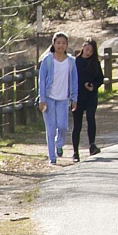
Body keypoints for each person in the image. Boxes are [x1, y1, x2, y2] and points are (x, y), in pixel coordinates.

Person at [36, 32, 77, 166]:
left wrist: (74, 98)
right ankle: (52, 156)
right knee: (51, 127)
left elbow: (74, 80)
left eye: (63, 43)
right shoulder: (48, 60)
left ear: (67, 45)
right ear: (53, 44)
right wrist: (42, 98)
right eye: (58, 43)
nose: (61, 45)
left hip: (63, 98)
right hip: (49, 98)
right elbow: (41, 80)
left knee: (63, 126)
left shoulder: (71, 61)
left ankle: (59, 143)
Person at [72, 39, 104, 160]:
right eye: (87, 49)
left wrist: (93, 86)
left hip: (91, 96)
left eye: (91, 51)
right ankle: (75, 152)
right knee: (77, 124)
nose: (89, 52)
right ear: (83, 47)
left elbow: (100, 78)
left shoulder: (95, 62)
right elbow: (72, 79)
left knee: (91, 117)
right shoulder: (76, 62)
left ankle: (92, 145)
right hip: (78, 96)